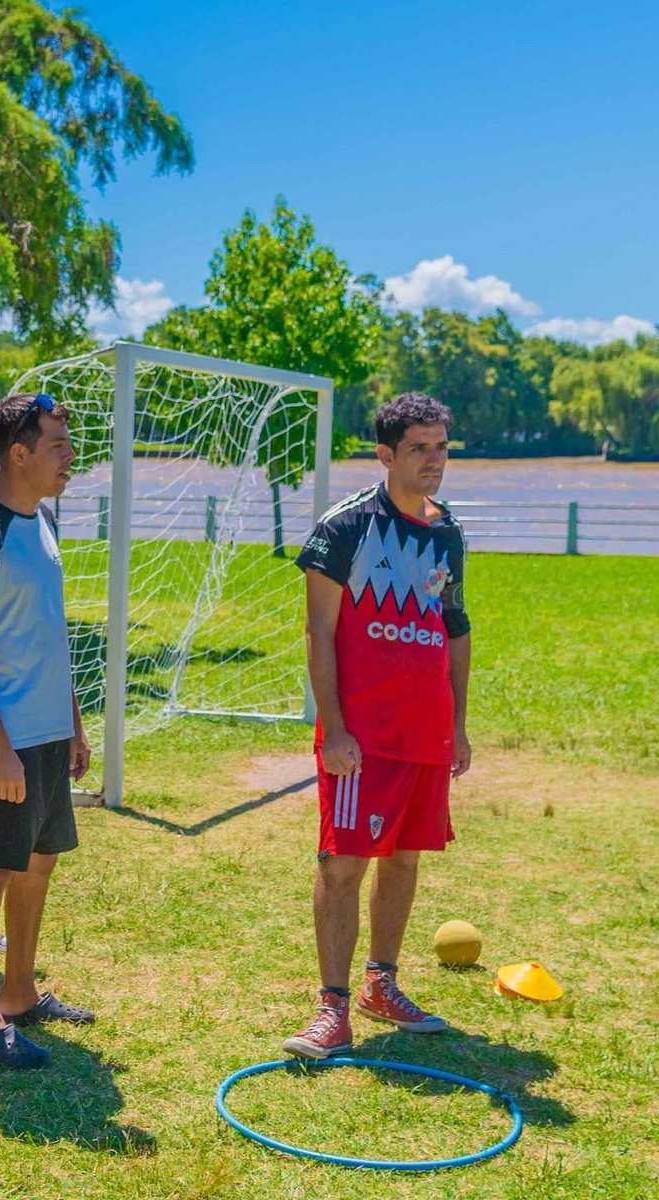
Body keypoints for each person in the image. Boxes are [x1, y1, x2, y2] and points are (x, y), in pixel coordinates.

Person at [283, 392, 471, 1059]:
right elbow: (319, 631)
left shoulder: (447, 530)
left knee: (406, 856)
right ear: (385, 454)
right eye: (419, 448)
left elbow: (454, 628)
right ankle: (332, 1008)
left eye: (442, 447)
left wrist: (460, 724)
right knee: (343, 865)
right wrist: (334, 729)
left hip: (426, 732)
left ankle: (380, 984)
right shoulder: (347, 527)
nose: (434, 461)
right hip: (362, 737)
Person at [0, 392, 94, 1070]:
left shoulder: (43, 518)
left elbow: (49, 631)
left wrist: (75, 722)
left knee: (39, 861)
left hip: (47, 733)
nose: (70, 457)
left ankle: (21, 994)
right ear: (19, 452)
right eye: (58, 446)